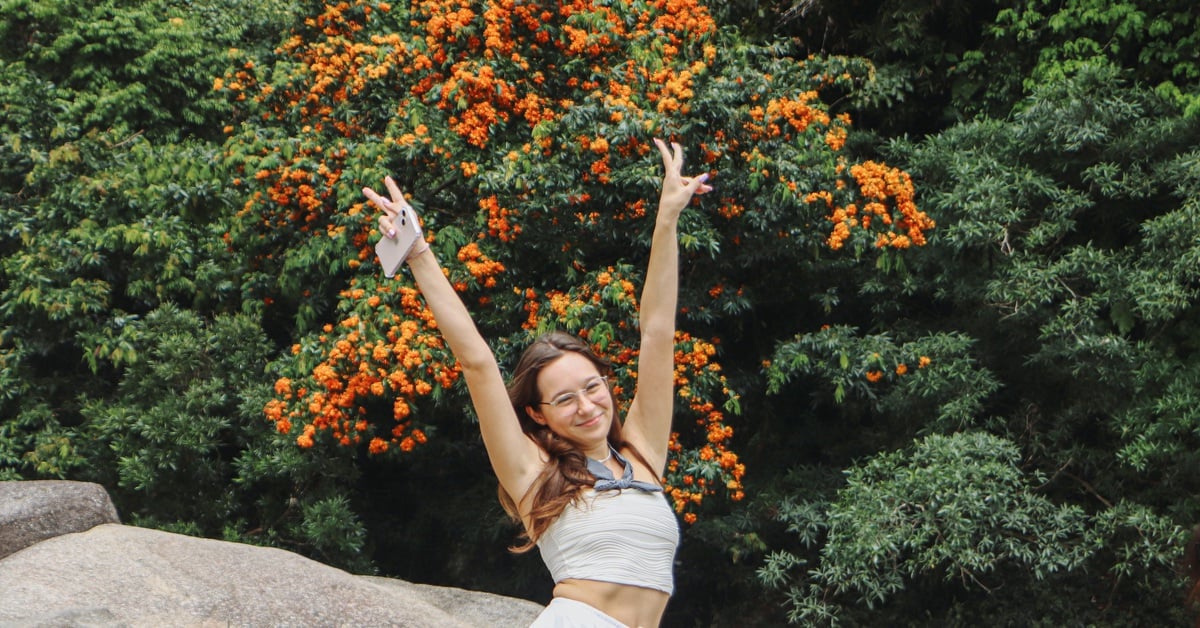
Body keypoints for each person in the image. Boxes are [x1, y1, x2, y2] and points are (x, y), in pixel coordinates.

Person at [362, 138, 712, 628]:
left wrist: (667, 220)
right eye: (564, 399)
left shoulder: (642, 455)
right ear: (537, 413)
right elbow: (478, 363)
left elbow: (656, 332)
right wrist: (417, 252)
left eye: (593, 388)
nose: (588, 406)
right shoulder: (533, 472)